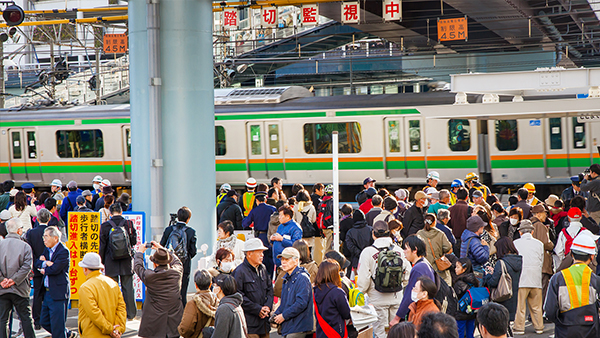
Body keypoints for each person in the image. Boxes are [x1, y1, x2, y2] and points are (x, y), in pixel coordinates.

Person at [357, 220, 411, 338]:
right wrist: (400, 285)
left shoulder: (368, 252)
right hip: (397, 297)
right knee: (396, 332)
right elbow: (407, 274)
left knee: (381, 332)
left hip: (377, 298)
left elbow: (363, 280)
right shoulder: (399, 250)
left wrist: (365, 291)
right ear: (388, 233)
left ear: (373, 234)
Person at [544, 231, 600, 337]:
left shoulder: (557, 279)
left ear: (571, 254)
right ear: (592, 257)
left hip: (564, 330)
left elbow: (550, 311)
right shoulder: (596, 280)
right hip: (591, 330)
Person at [134, 241, 184, 338]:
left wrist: (140, 252)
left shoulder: (150, 276)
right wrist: (162, 249)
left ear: (155, 264)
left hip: (154, 324)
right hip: (174, 322)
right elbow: (177, 261)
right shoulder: (177, 273)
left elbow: (138, 267)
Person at [37, 226, 78, 338]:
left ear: (55, 238)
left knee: (57, 325)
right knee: (44, 321)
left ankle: (63, 334)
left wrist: (45, 267)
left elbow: (55, 269)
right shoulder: (47, 249)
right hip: (47, 292)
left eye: (46, 236)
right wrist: (46, 264)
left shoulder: (63, 251)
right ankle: (67, 333)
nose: (44, 239)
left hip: (58, 292)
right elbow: (37, 263)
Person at [99, 203, 137, 320]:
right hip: (126, 261)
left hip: (111, 261)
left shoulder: (105, 226)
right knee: (128, 288)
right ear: (121, 212)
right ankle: (130, 314)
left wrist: (102, 261)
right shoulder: (129, 224)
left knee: (111, 289)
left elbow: (102, 246)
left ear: (110, 213)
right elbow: (133, 241)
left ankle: (113, 314)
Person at [0, 218, 35, 338]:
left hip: (2, 288)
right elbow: (27, 267)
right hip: (20, 288)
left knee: (2, 320)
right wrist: (14, 280)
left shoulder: (0, 244)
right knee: (26, 318)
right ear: (19, 230)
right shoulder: (25, 247)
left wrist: (2, 280)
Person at [77, 252, 127, 338]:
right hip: (113, 333)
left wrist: (109, 329)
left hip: (92, 333)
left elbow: (94, 313)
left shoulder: (86, 287)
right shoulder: (113, 283)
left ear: (85, 269)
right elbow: (121, 308)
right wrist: (118, 328)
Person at [230, 238, 273, 338]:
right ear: (249, 254)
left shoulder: (263, 268)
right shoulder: (239, 272)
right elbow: (238, 296)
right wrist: (257, 309)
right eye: (259, 252)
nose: (262, 255)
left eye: (262, 252)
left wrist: (268, 306)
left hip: (264, 323)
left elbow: (270, 289)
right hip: (250, 324)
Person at [391, 235, 434, 327]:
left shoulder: (418, 268)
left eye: (406, 249)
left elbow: (409, 295)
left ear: (415, 250)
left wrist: (397, 317)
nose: (404, 251)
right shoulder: (425, 264)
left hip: (421, 312)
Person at [271, 247, 313, 337]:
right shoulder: (287, 278)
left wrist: (283, 316)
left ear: (296, 260)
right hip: (290, 327)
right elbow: (284, 303)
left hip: (298, 327)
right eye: (282, 259)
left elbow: (301, 303)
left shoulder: (302, 278)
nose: (283, 262)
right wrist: (276, 314)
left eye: (287, 259)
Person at [160, 206, 197, 307]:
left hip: (169, 264)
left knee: (169, 289)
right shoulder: (191, 232)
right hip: (184, 265)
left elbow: (161, 245)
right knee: (183, 290)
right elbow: (193, 251)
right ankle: (181, 312)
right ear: (188, 218)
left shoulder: (169, 230)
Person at [512, 220, 544, 335]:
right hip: (535, 278)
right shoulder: (539, 244)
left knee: (520, 306)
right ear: (532, 231)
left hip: (521, 278)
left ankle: (519, 327)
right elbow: (541, 261)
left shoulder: (515, 243)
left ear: (520, 232)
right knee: (536, 306)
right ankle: (539, 326)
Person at [482, 237, 522, 322]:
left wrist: (488, 275)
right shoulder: (518, 260)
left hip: (502, 299)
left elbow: (493, 282)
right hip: (513, 297)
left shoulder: (501, 262)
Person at [25, 208, 53, 330]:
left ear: (37, 218)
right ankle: (49, 319)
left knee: (37, 294)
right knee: (50, 293)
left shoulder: (31, 233)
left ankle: (37, 321)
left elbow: (29, 251)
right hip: (51, 267)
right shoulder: (53, 232)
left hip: (36, 268)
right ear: (49, 218)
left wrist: (36, 263)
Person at [241, 191, 276, 278]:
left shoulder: (254, 211)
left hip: (260, 237)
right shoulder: (272, 209)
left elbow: (245, 223)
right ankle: (270, 279)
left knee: (260, 259)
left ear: (256, 200)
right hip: (271, 236)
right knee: (270, 260)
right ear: (266, 199)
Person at [313, 259, 351, 338]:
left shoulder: (315, 291)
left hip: (321, 332)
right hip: (336, 332)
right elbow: (347, 314)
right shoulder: (337, 292)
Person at [178, 270, 218, 338]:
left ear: (195, 284)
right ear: (210, 284)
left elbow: (186, 329)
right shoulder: (217, 301)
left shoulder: (193, 304)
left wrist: (180, 329)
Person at [417, 213, 453, 285]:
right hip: (438, 265)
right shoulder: (440, 234)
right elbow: (448, 247)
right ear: (434, 222)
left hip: (425, 265)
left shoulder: (419, 234)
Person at [453, 258, 478, 338]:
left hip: (461, 313)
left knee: (459, 334)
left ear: (464, 269)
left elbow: (455, 298)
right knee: (470, 334)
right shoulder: (474, 280)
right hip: (472, 311)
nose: (455, 269)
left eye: (457, 267)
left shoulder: (459, 283)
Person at [271, 204, 302, 269]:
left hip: (288, 263)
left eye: (280, 215)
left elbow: (296, 245)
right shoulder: (280, 226)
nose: (279, 217)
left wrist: (282, 239)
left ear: (287, 216)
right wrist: (273, 239)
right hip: (277, 262)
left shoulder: (296, 228)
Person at [448, 188, 472, 254]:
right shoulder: (471, 209)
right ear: (467, 197)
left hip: (454, 241)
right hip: (468, 241)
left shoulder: (450, 209)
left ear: (456, 196)